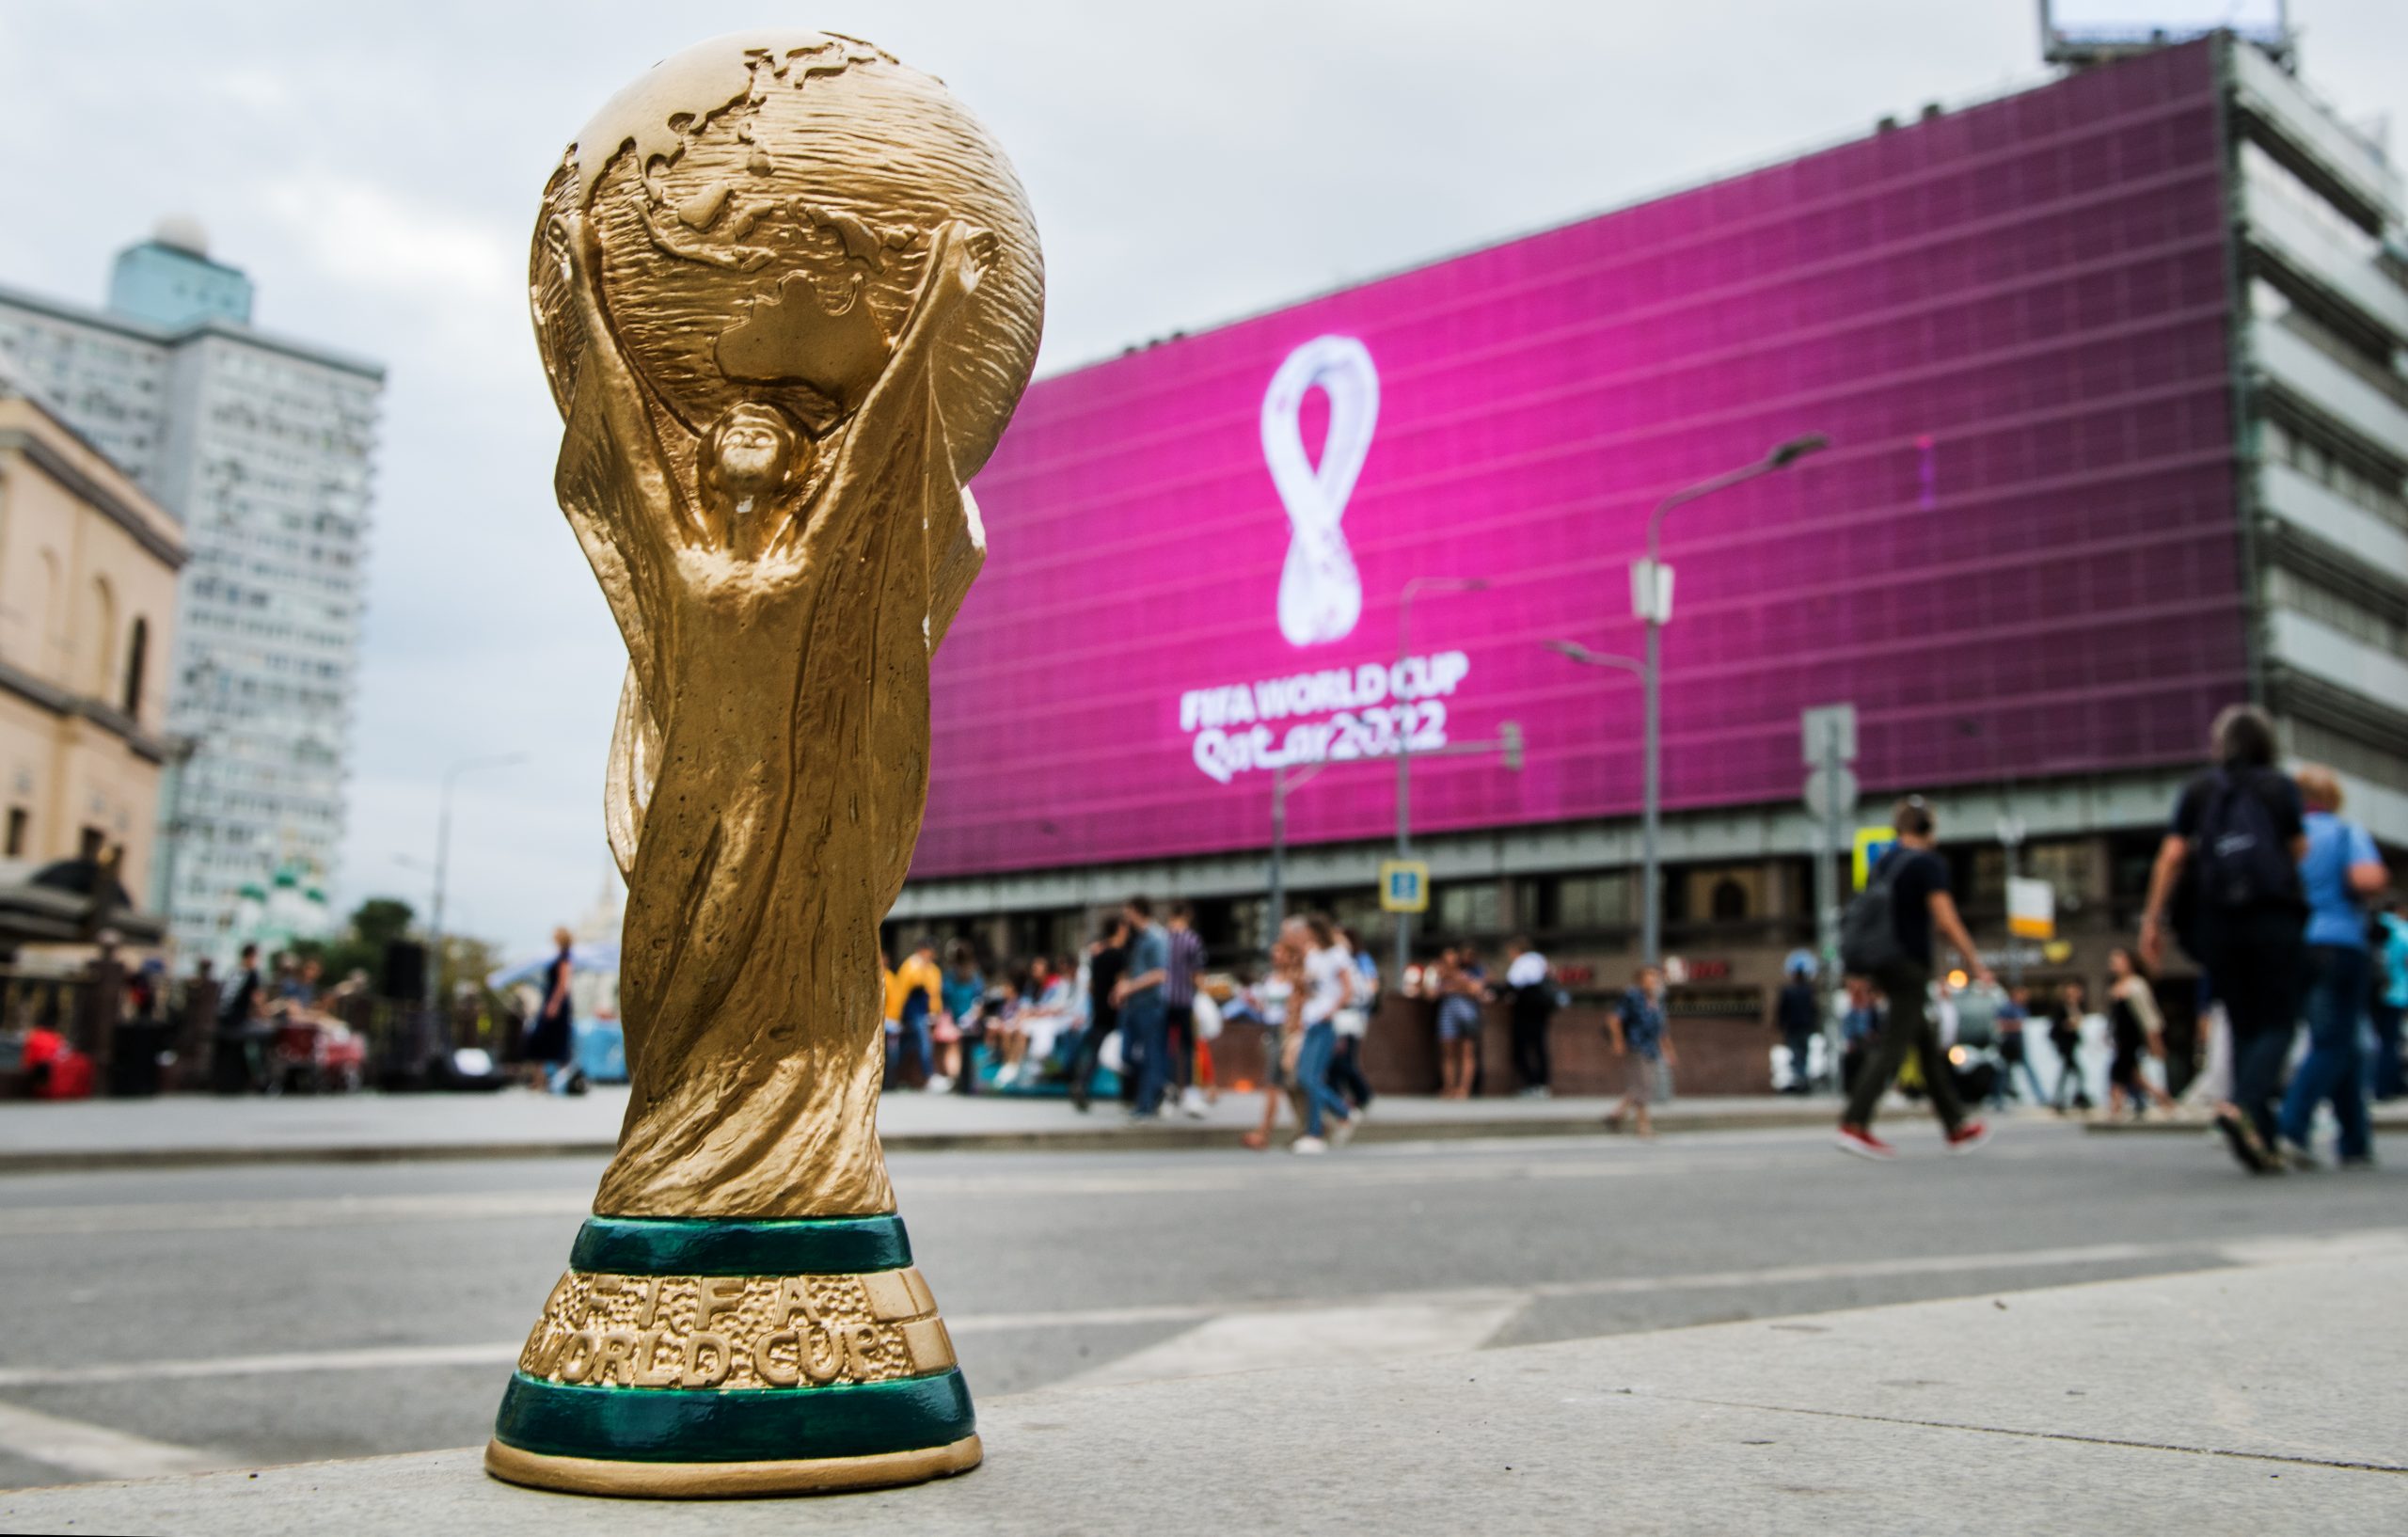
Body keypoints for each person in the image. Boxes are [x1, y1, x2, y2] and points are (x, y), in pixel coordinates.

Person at [2141, 705, 2306, 1173]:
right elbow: (2298, 850)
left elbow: (2171, 857)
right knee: (2278, 1021)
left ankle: (2265, 1142)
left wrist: (2152, 919)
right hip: (2272, 916)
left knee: (2243, 1020)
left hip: (2217, 922)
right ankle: (2243, 1105)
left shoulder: (2199, 789)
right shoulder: (2278, 787)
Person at [1836, 796, 1993, 1160]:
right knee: (1894, 1044)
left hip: (1881, 961)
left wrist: (1858, 973)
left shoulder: (1885, 863)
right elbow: (1946, 918)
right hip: (1908, 963)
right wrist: (1975, 961)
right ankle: (1854, 1122)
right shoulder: (1927, 864)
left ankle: (1955, 1125)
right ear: (1925, 828)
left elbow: (1866, 917)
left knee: (1924, 1042)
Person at [2273, 767, 2386, 1168]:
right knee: (2334, 1042)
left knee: (2341, 1043)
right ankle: (2290, 1126)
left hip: (2294, 944)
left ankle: (2354, 1141)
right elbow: (2367, 877)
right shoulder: (2343, 832)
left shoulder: (2287, 839)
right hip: (2339, 941)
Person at [1287, 914, 1360, 1152]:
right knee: (1305, 1077)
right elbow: (1307, 989)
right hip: (1311, 1020)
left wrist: (1332, 1009)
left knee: (1311, 1078)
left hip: (1325, 1022)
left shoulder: (1336, 954)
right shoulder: (1312, 954)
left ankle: (1319, 1130)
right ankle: (1340, 1114)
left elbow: (1348, 988)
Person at [1113, 897, 1175, 1120]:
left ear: (1137, 911)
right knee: (1126, 1054)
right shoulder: (1136, 939)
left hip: (1151, 1005)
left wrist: (1131, 986)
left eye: (1127, 911)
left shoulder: (1156, 937)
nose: (1125, 917)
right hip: (1134, 1005)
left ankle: (1147, 1101)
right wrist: (1122, 988)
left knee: (1151, 1055)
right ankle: (1159, 1086)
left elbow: (1160, 973)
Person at [1607, 965, 1676, 1138]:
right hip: (1636, 1046)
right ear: (1640, 980)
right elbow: (1614, 1019)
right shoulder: (1632, 996)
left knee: (1642, 1086)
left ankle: (1616, 1115)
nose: (1654, 981)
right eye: (1649, 977)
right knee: (1643, 1087)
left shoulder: (1655, 1000)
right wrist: (1618, 1041)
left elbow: (1661, 1030)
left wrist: (1669, 1050)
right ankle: (1643, 1127)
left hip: (1651, 1048)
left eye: (1655, 977)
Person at [2104, 947, 2175, 1118]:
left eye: (2118, 961)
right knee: (2133, 1074)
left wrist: (2154, 1040)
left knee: (2118, 1070)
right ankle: (2162, 1098)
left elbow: (2148, 1015)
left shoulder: (2137, 985)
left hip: (2131, 1036)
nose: (2114, 965)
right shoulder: (2116, 986)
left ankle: (2116, 1108)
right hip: (2120, 1036)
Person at [1069, 918, 1129, 1111]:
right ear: (1119, 929)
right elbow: (1122, 983)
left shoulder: (1098, 957)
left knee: (1096, 1054)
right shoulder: (1121, 956)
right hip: (1117, 1012)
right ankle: (1129, 1092)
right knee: (1125, 1051)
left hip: (1099, 1009)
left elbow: (1091, 987)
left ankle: (1081, 1083)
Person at [1162, 902, 1208, 1117]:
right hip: (1185, 1001)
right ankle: (1189, 1091)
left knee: (1166, 1048)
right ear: (1187, 916)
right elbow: (1197, 974)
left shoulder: (1162, 939)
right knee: (1187, 1048)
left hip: (1162, 1001)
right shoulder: (1192, 940)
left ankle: (1169, 1091)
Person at [1328, 926, 1376, 1117]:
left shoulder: (1358, 961)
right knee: (1336, 1061)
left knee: (1343, 1060)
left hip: (1350, 1017)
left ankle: (1361, 1095)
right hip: (1339, 1018)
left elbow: (1370, 988)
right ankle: (1342, 1099)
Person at [525, 927, 580, 1094]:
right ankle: (542, 1079)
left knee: (548, 1039)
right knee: (547, 1041)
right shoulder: (558, 957)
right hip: (552, 1000)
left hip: (555, 1003)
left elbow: (563, 984)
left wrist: (554, 1004)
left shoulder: (564, 958)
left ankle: (554, 1079)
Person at [1503, 937, 1556, 1097]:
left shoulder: (1523, 962)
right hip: (1541, 1009)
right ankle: (1542, 1083)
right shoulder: (1540, 960)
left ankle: (1533, 1083)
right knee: (1539, 1046)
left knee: (1521, 1048)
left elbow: (1513, 984)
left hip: (1526, 1009)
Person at [890, 937, 944, 1090]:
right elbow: (900, 993)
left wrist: (936, 1013)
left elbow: (935, 994)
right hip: (913, 1012)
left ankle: (897, 1076)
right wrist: (896, 1017)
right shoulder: (911, 966)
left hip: (927, 1013)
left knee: (907, 1045)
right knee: (923, 1042)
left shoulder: (933, 969)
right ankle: (928, 1075)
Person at [213, 943, 267, 1094]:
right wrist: (265, 1014)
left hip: (222, 1021)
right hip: (237, 1024)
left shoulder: (233, 972)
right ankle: (259, 1077)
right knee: (264, 1034)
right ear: (252, 956)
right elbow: (258, 1000)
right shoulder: (252, 973)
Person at [932, 941, 984, 1094]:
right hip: (970, 1021)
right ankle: (960, 1078)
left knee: (948, 1044)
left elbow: (944, 998)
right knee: (958, 1045)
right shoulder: (975, 976)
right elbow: (979, 1002)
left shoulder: (949, 976)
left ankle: (952, 1077)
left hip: (956, 1021)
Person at [1433, 946, 1483, 1100]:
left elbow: (1476, 989)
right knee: (1448, 1053)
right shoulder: (1438, 975)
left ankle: (1464, 1089)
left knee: (1467, 1052)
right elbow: (1431, 993)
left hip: (1467, 1015)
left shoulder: (1468, 973)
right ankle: (1449, 1087)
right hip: (1447, 1014)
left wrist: (1455, 983)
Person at [2372, 895, 2407, 1103]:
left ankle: (2382, 1085)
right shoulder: (2401, 930)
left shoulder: (2371, 925)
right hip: (2397, 991)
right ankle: (2388, 1086)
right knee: (2390, 1042)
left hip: (2373, 991)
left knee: (2379, 1040)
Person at [1772, 955, 1820, 1095]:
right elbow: (1814, 1010)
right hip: (1804, 1027)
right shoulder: (1809, 991)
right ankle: (1802, 1079)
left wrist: (1780, 1024)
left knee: (1797, 1053)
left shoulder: (1789, 991)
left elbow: (1782, 1010)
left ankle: (1800, 1080)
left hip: (1793, 1027)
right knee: (1803, 1054)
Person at [1996, 985, 2047, 1105]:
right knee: (2003, 1073)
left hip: (2019, 1044)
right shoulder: (2007, 1008)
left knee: (2028, 1070)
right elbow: (1999, 1024)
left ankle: (2040, 1096)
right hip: (2009, 1044)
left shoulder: (2022, 1008)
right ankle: (1997, 1098)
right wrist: (2014, 1026)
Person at [2049, 980, 2094, 1115]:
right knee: (2072, 1073)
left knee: (2070, 1073)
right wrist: (2070, 1024)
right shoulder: (2063, 1008)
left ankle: (2068, 1099)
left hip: (2071, 1045)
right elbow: (2060, 1026)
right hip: (2065, 1046)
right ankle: (2063, 1100)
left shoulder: (2075, 1007)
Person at [1838, 976, 1882, 1096]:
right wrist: (1850, 1040)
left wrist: (1873, 1035)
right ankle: (1850, 1087)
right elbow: (1847, 1027)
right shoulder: (1851, 1011)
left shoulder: (1872, 1010)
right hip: (1856, 1041)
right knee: (1850, 1059)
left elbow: (1877, 1027)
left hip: (1869, 1042)